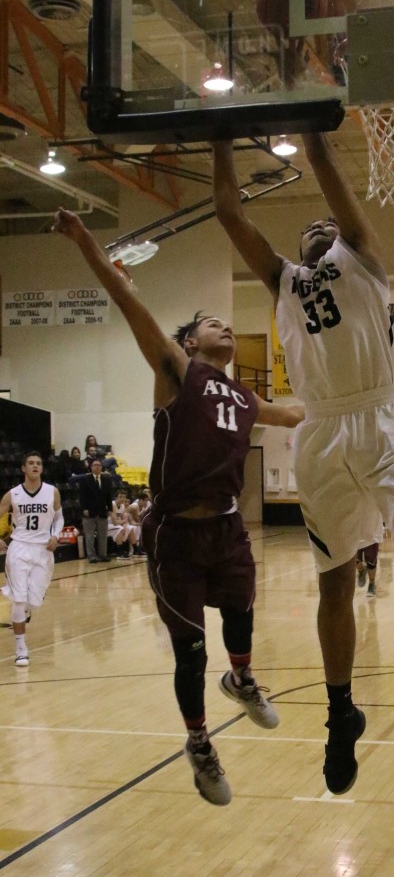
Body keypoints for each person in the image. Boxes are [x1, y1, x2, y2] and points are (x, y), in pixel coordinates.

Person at [212, 134, 394, 797]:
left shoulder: (361, 256)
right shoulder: (281, 280)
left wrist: (313, 133)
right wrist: (221, 140)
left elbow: (331, 176)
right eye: (308, 227)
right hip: (322, 430)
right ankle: (341, 713)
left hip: (382, 421)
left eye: (326, 226)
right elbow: (228, 214)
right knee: (333, 588)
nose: (318, 226)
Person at [54, 207, 304, 808]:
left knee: (243, 609)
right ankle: (199, 745)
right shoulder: (176, 370)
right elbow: (124, 299)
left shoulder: (242, 395)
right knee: (190, 650)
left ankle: (241, 679)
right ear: (189, 341)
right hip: (175, 538)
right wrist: (85, 239)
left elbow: (297, 414)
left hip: (225, 529)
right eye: (211, 323)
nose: (223, 326)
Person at [0, 451, 62, 666]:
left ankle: (26, 605)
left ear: (42, 468)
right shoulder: (12, 494)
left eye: (38, 463)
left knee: (33, 602)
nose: (35, 466)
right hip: (19, 548)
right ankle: (21, 648)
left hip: (43, 550)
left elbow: (59, 516)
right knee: (19, 600)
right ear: (23, 468)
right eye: (31, 463)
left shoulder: (52, 492)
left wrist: (56, 534)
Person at [79, 457, 114, 562]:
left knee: (103, 534)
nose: (97, 467)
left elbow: (109, 495)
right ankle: (91, 555)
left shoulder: (106, 479)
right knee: (89, 535)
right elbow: (82, 496)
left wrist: (110, 508)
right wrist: (84, 508)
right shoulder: (85, 479)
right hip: (89, 511)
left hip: (102, 510)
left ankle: (103, 554)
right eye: (95, 465)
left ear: (101, 467)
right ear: (91, 467)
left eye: (99, 465)